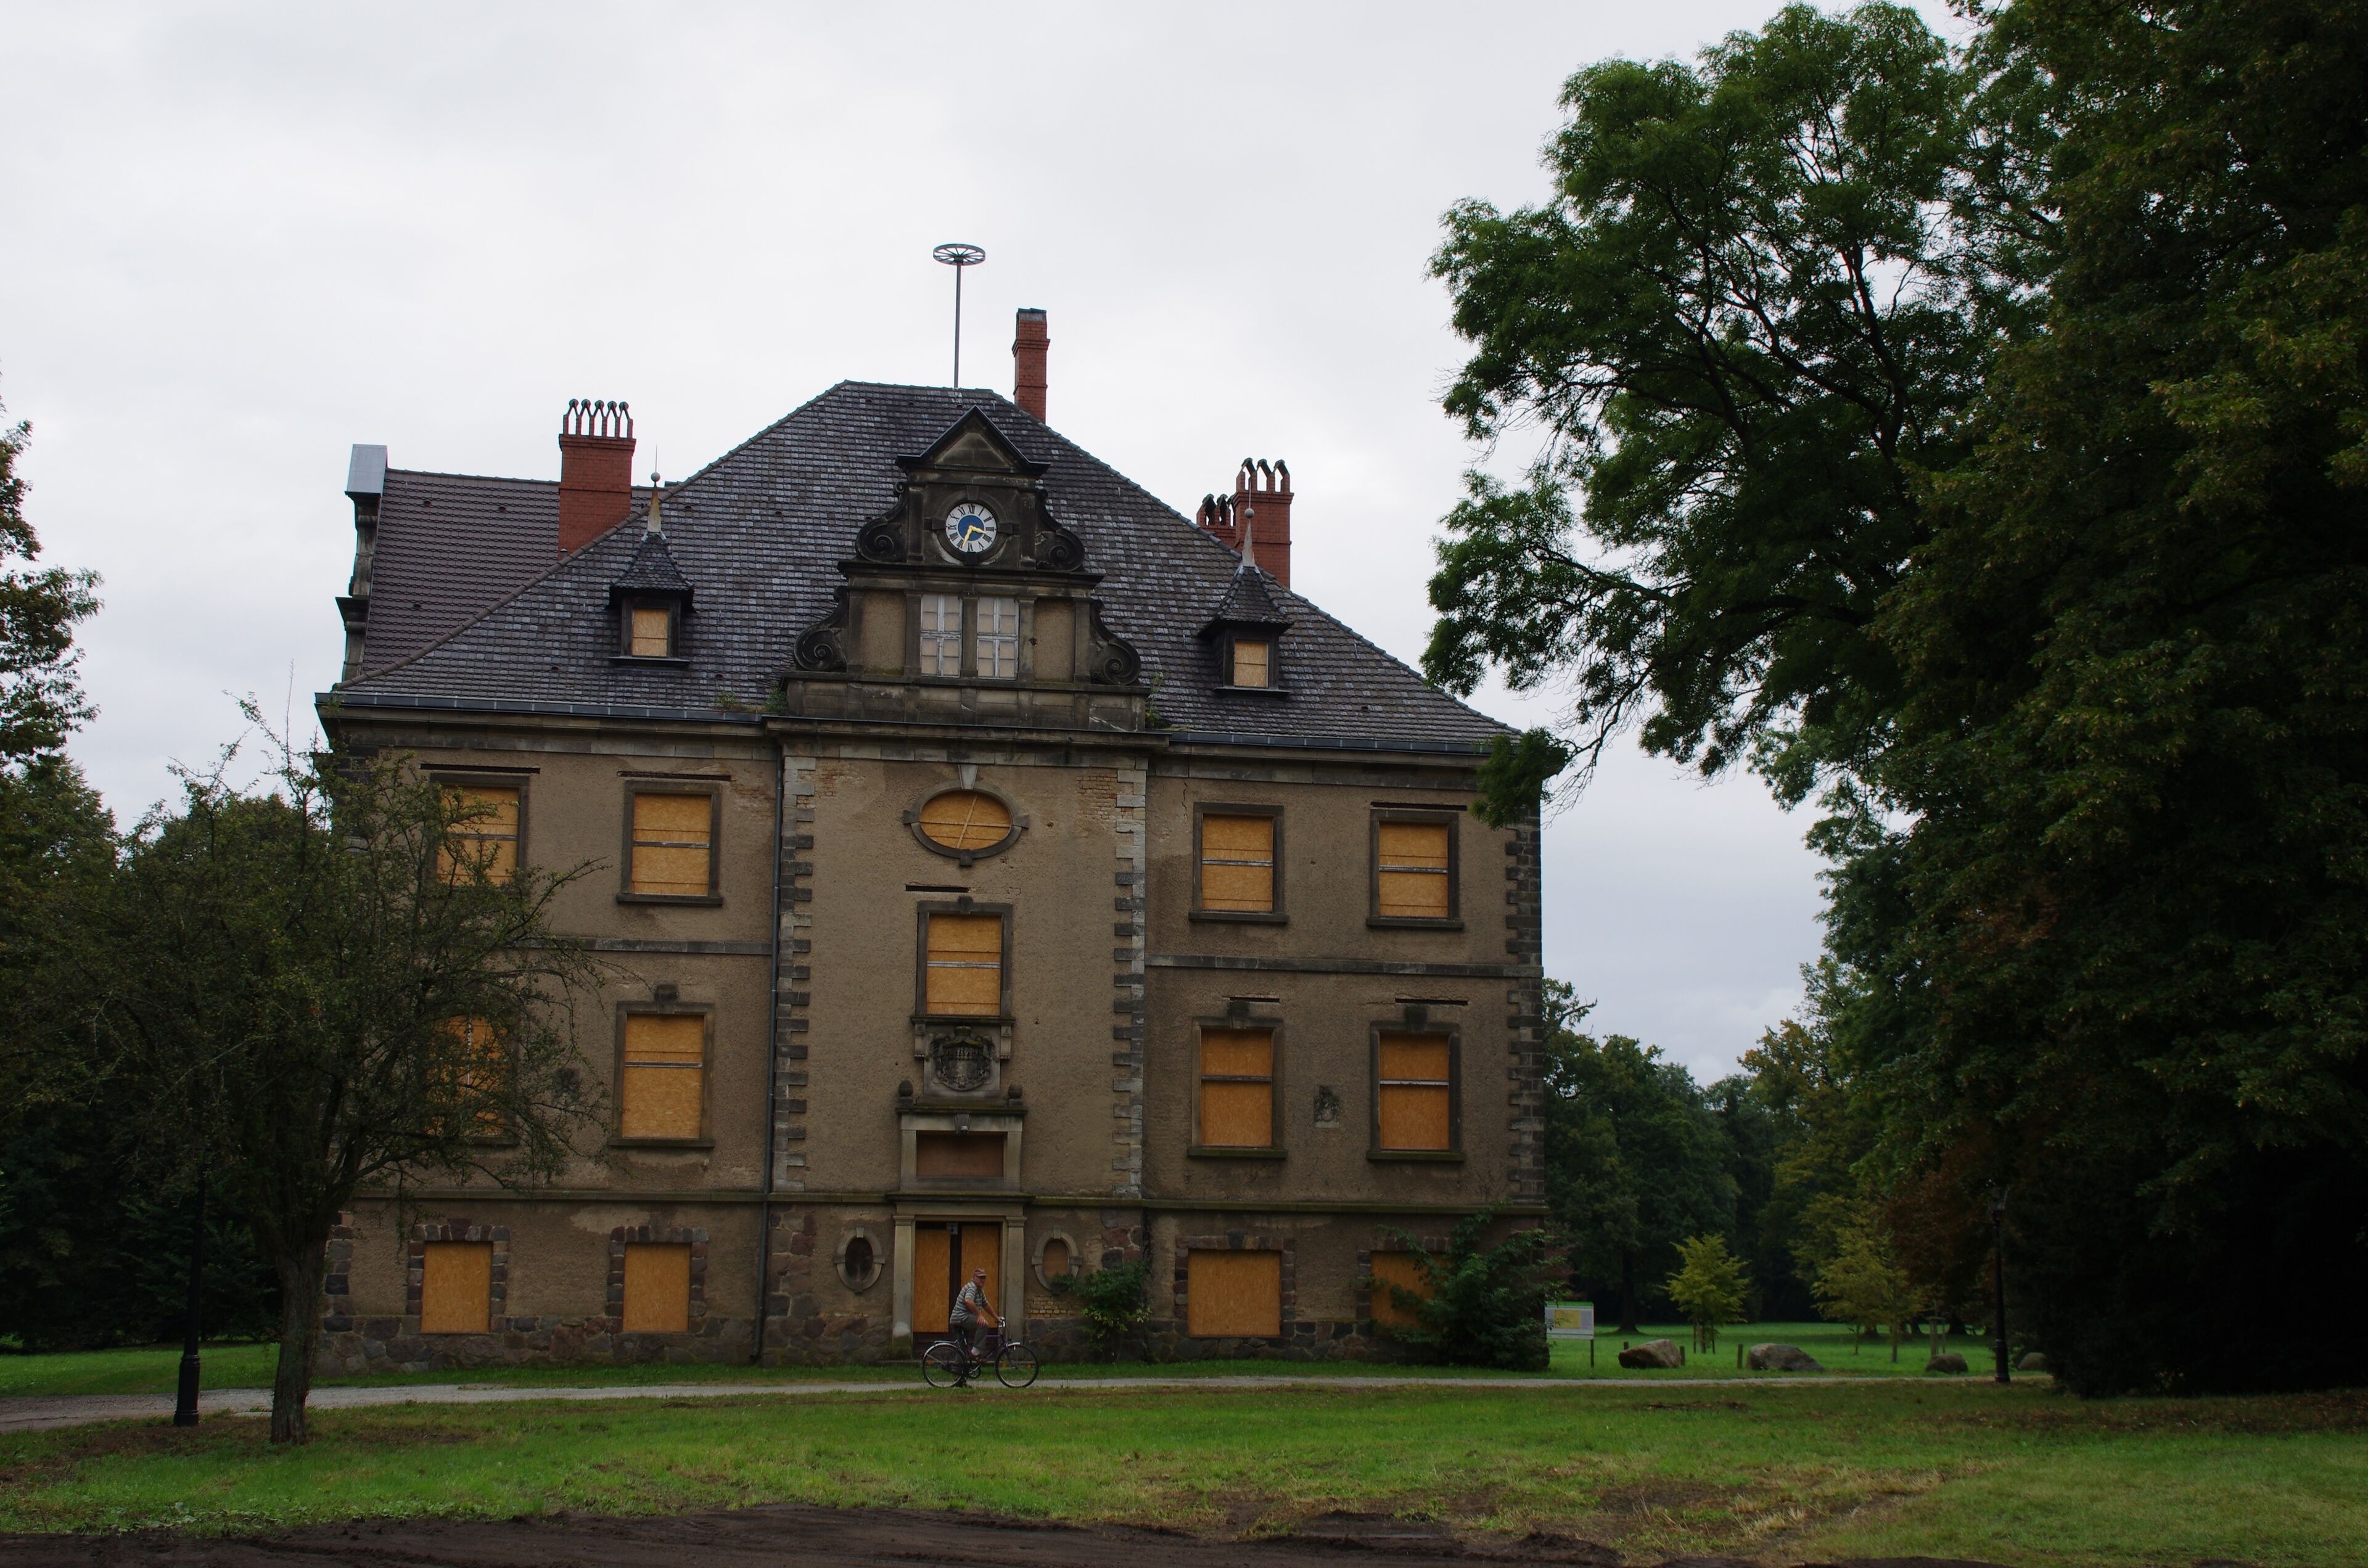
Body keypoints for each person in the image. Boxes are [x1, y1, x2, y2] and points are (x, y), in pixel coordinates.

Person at [948, 1266, 1000, 1373]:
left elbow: (986, 1305)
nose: (983, 1280)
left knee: (961, 1349)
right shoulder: (972, 1287)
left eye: (984, 1278)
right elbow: (968, 1301)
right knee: (983, 1324)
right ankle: (975, 1352)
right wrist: (979, 1315)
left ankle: (959, 1378)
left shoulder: (980, 1290)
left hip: (960, 1319)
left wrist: (996, 1317)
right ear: (974, 1278)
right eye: (980, 1278)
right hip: (961, 1318)